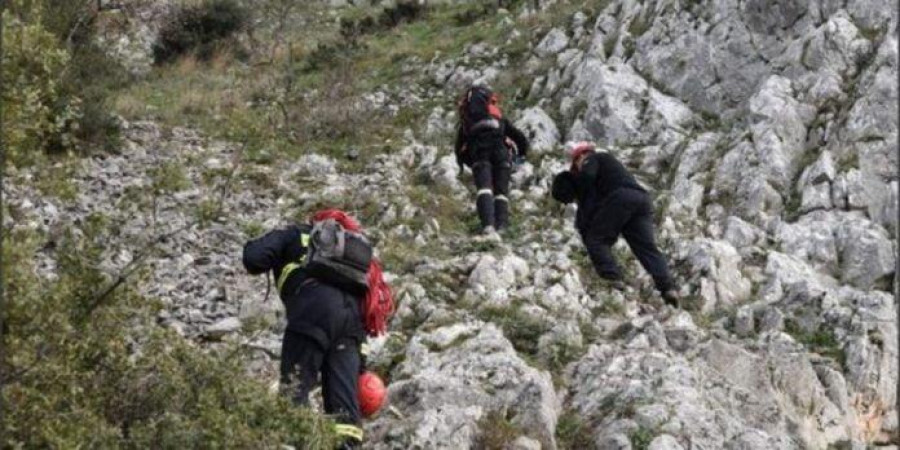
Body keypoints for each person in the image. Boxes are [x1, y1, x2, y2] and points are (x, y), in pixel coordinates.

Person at [242, 209, 394, 449]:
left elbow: (253, 259)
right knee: (346, 416)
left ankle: (295, 441)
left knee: (294, 393)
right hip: (352, 322)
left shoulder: (293, 234)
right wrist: (359, 366)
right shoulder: (350, 263)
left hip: (313, 310)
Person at [551, 142, 678, 305]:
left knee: (596, 239)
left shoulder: (593, 158)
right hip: (642, 200)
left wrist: (584, 224)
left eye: (576, 164)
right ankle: (668, 288)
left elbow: (587, 177)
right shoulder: (610, 171)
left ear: (581, 156)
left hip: (621, 197)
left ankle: (612, 280)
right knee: (646, 248)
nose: (578, 168)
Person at [455, 85, 530, 235]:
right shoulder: (498, 118)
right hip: (501, 153)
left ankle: (488, 226)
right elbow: (520, 138)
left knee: (484, 188)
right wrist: (521, 155)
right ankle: (502, 226)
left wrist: (464, 166)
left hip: (480, 154)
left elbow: (459, 148)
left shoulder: (467, 121)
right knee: (501, 192)